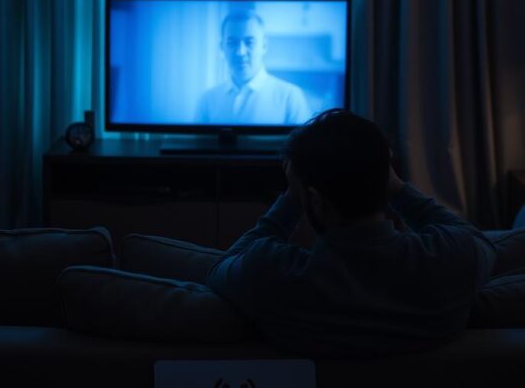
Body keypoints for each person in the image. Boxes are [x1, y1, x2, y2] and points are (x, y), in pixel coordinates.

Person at [203, 109, 525, 357]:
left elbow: (221, 267)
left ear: (313, 199)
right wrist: (399, 189)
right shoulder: (451, 260)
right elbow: (481, 243)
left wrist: (291, 198)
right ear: (387, 178)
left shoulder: (269, 272)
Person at [196, 10, 310, 126]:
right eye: (232, 43)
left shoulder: (290, 98)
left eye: (249, 42)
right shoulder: (207, 101)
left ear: (264, 46)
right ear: (222, 47)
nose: (240, 52)